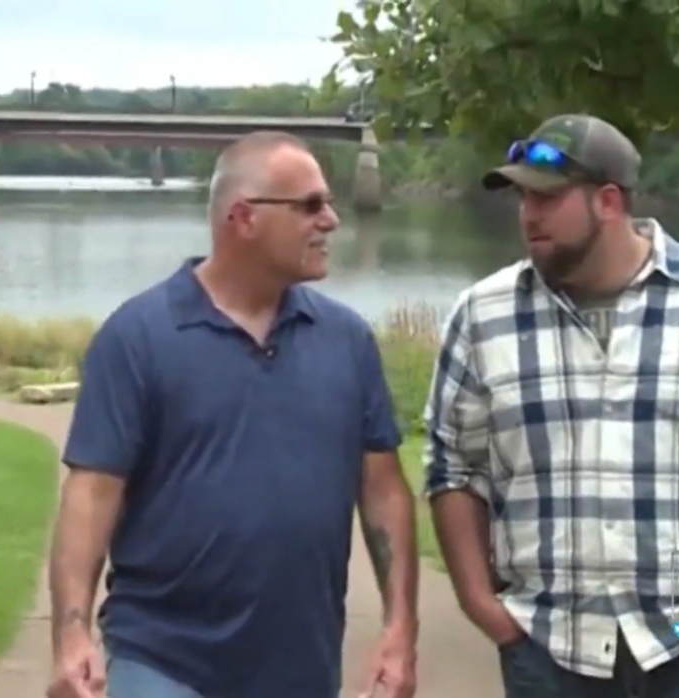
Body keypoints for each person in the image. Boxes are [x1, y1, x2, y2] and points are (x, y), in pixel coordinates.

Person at [422, 114, 679, 698]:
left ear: (609, 201)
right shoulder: (482, 316)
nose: (528, 214)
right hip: (547, 647)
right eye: (522, 197)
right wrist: (478, 603)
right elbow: (453, 468)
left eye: (547, 196)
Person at [46, 131, 420, 698]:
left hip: (302, 668)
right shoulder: (139, 337)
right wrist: (71, 637)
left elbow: (383, 491)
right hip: (163, 660)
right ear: (243, 218)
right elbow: (92, 493)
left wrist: (400, 631)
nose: (332, 220)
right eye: (311, 205)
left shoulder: (346, 341)